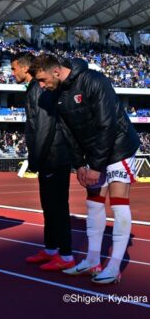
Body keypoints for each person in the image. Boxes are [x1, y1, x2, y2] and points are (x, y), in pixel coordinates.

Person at [30, 54, 141, 284]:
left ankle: (113, 266)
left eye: (42, 80)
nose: (41, 86)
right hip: (94, 152)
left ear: (56, 72)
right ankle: (92, 260)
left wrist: (96, 167)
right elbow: (68, 133)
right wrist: (80, 164)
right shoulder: (57, 93)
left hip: (119, 146)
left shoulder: (95, 81)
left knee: (118, 204)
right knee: (93, 205)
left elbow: (107, 124)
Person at [11, 52, 74, 270]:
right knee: (49, 206)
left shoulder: (39, 90)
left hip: (54, 156)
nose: (12, 73)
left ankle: (66, 256)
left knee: (57, 207)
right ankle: (50, 249)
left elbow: (45, 126)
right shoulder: (34, 90)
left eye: (13, 69)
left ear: (24, 68)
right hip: (49, 155)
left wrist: (35, 159)